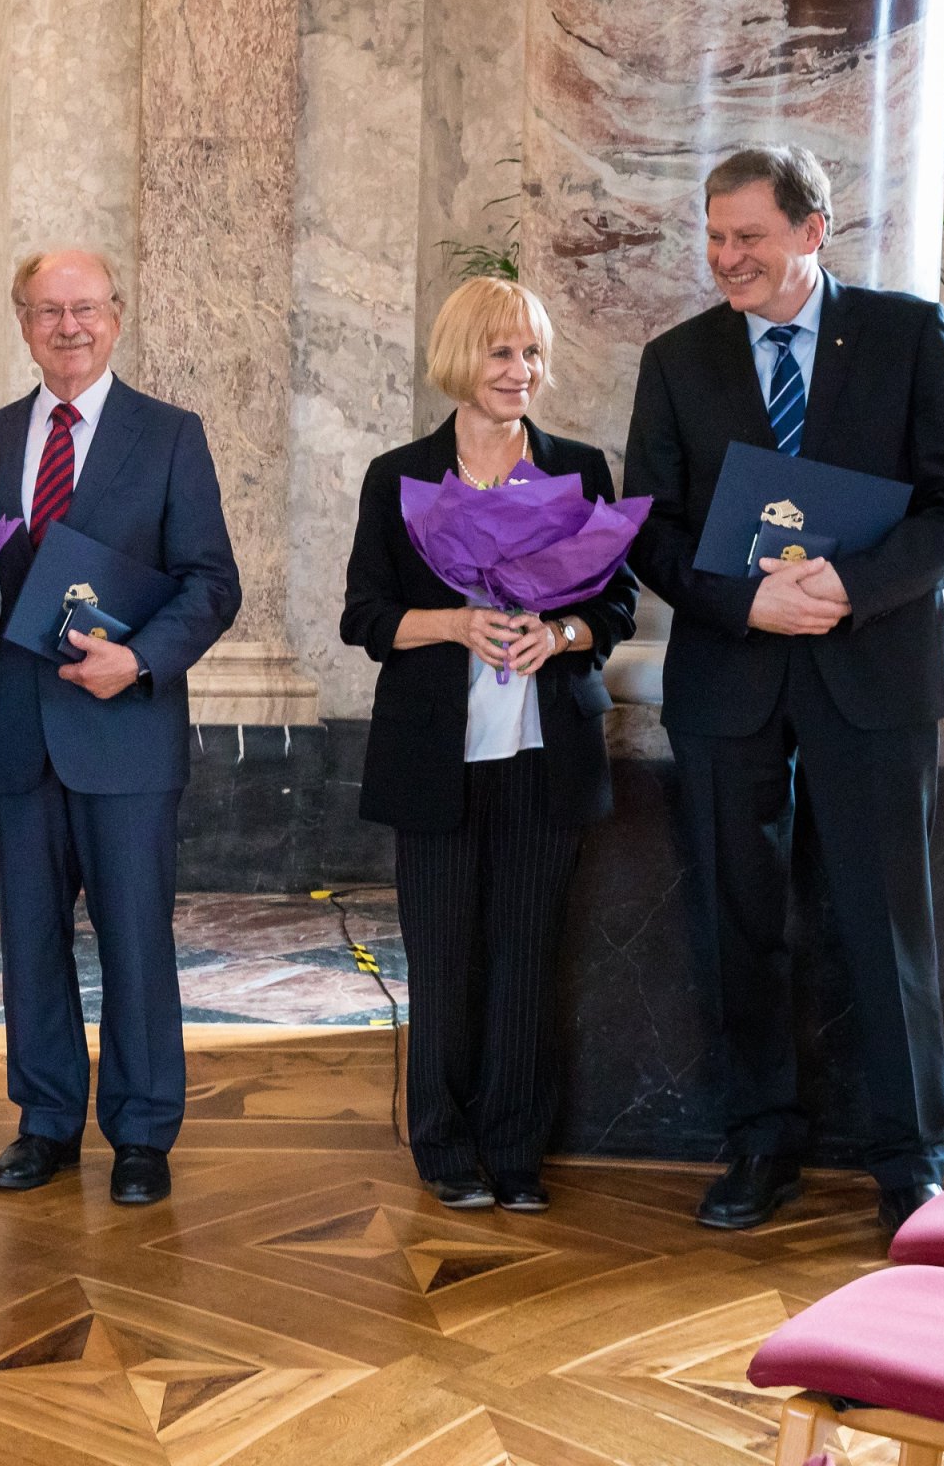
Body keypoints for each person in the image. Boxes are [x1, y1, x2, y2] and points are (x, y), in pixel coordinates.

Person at [624, 146, 944, 1238]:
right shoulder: (677, 357)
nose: (726, 257)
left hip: (871, 670)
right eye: (716, 235)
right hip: (729, 677)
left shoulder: (902, 335)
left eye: (749, 236)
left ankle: (908, 1160)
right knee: (736, 919)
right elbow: (652, 526)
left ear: (812, 230)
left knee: (889, 924)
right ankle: (757, 1143)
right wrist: (747, 604)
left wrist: (847, 586)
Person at [341, 277, 637, 1211]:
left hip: (547, 753)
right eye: (504, 352)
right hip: (438, 755)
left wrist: (560, 635)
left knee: (525, 957)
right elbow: (365, 617)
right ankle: (443, 1144)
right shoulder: (400, 477)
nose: (521, 371)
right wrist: (457, 623)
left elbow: (616, 605)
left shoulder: (579, 469)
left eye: (534, 354)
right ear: (463, 357)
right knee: (443, 956)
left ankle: (516, 1151)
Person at [0, 248, 239, 1207]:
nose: (69, 327)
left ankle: (140, 1133)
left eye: (85, 309)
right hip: (13, 736)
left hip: (126, 730)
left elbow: (214, 582)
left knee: (136, 938)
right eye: (49, 311)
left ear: (117, 317)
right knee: (29, 940)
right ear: (23, 320)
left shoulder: (169, 435)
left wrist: (139, 659)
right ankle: (45, 1121)